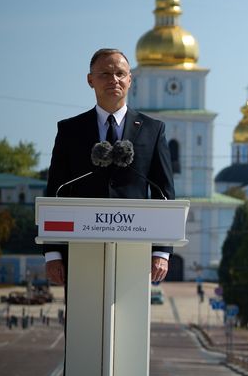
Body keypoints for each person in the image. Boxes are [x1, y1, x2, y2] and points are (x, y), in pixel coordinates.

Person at [44, 48, 176, 287]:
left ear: (129, 80)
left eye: (120, 73)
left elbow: (163, 192)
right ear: (90, 80)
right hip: (81, 247)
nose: (113, 80)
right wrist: (53, 254)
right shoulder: (69, 130)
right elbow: (56, 190)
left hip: (136, 248)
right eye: (104, 74)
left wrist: (162, 252)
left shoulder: (153, 130)